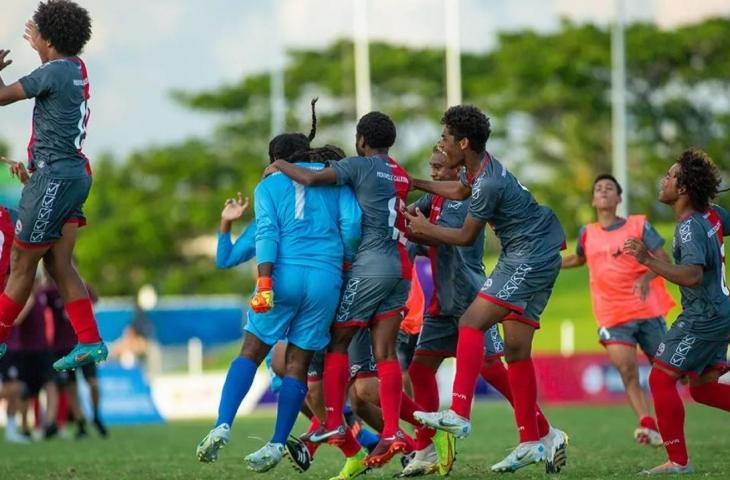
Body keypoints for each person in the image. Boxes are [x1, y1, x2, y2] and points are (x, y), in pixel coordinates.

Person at [405, 105, 568, 474]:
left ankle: (460, 412)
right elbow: (459, 189)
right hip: (537, 250)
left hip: (529, 253)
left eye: (446, 137)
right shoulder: (479, 171)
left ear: (463, 143)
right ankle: (532, 439)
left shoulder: (489, 181)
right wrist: (418, 183)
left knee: (471, 323)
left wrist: (425, 231)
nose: (442, 143)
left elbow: (465, 236)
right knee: (517, 351)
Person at [266, 112, 424, 468]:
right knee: (379, 361)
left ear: (361, 140)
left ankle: (335, 423)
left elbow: (311, 178)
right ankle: (390, 435)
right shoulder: (397, 171)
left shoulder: (359, 168)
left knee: (337, 346)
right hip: (398, 270)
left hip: (368, 270)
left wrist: (278, 166)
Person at [0, 0, 107, 371]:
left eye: (37, 34)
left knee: (21, 260)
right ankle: (90, 340)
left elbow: (1, 97)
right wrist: (43, 47)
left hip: (54, 177)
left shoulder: (54, 72)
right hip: (74, 174)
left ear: (46, 39)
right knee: (60, 263)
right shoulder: (75, 67)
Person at [624, 149, 730, 475]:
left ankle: (678, 462)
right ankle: (677, 460)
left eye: (670, 176)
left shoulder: (688, 228)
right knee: (701, 387)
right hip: (720, 312)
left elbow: (693, 275)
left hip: (704, 317)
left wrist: (648, 260)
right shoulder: (712, 214)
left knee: (660, 378)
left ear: (683, 189)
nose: (664, 180)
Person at [562, 173, 675, 446]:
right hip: (612, 314)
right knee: (626, 370)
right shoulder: (586, 233)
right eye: (598, 188)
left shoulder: (639, 225)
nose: (603, 191)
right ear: (593, 198)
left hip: (646, 309)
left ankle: (676, 422)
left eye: (609, 188)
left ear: (618, 198)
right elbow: (579, 258)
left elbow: (664, 260)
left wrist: (646, 278)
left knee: (669, 370)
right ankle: (647, 423)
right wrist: (549, 263)